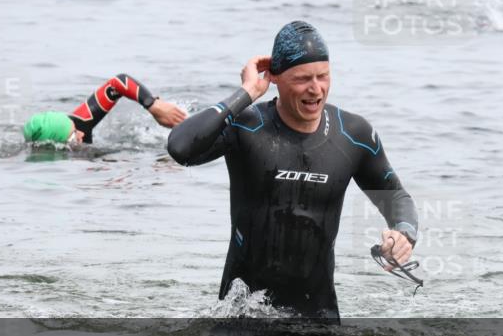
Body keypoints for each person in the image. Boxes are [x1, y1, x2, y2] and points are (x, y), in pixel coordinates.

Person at [166, 21, 419, 319]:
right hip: (242, 317)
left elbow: (396, 196)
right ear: (274, 77)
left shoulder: (353, 134)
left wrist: (404, 234)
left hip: (318, 318)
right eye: (302, 79)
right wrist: (245, 93)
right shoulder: (247, 127)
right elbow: (181, 148)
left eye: (323, 76)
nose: (316, 89)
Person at [23, 74, 186, 144]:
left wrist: (152, 104)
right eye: (73, 137)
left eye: (75, 129)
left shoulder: (80, 123)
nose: (81, 133)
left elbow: (118, 83)